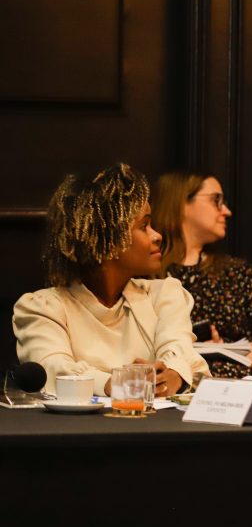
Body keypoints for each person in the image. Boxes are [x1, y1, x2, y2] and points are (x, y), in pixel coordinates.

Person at [13, 163, 208, 396]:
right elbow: (52, 368)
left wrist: (172, 376)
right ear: (108, 240)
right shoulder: (43, 308)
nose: (157, 236)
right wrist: (119, 383)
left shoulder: (164, 295)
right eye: (144, 226)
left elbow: (181, 354)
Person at [152, 171, 252, 388]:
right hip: (179, 385)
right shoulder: (148, 277)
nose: (226, 211)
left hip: (243, 381)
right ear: (181, 204)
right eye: (216, 200)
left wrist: (224, 350)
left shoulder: (238, 273)